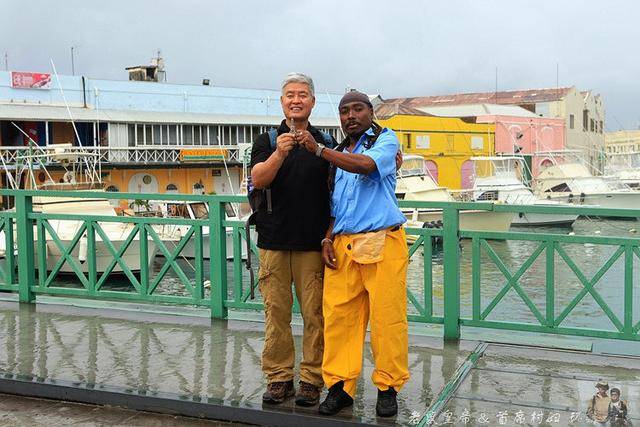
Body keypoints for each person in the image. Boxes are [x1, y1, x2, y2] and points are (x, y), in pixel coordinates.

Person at [300, 90, 409, 417]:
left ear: (370, 111)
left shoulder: (385, 140)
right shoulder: (337, 151)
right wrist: (327, 239)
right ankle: (340, 387)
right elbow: (337, 206)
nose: (350, 116)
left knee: (386, 319)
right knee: (339, 319)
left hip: (381, 242)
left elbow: (365, 166)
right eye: (344, 111)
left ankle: (387, 386)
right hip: (343, 245)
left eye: (357, 109)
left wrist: (318, 150)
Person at [250, 72, 334, 406]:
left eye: (302, 94)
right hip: (272, 240)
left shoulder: (325, 141)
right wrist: (280, 154)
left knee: (315, 314)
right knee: (276, 313)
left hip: (312, 243)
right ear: (281, 101)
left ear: (312, 102)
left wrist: (328, 237)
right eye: (289, 95)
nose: (295, 100)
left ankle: (312, 379)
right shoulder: (268, 140)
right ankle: (279, 377)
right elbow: (258, 179)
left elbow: (336, 194)